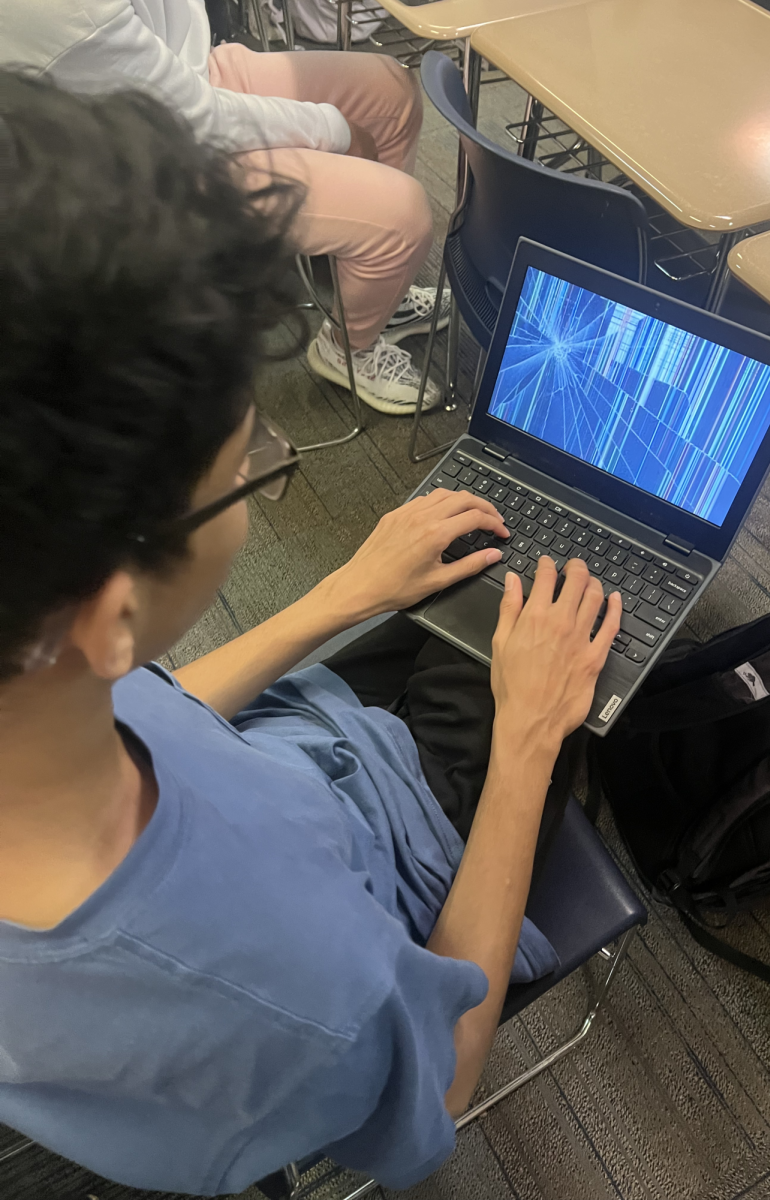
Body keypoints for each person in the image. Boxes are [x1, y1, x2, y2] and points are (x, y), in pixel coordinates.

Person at [0, 71, 621, 1195]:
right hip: (402, 843)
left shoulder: (37, 674)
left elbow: (161, 709)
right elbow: (442, 1086)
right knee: (572, 623)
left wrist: (345, 589)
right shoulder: (288, 975)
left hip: (292, 753)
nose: (252, 487)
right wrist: (529, 736)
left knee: (473, 568)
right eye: (245, 470)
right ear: (109, 612)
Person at [0, 0, 448, 416]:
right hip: (148, 161)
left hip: (178, 73)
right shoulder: (62, 12)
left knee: (392, 92)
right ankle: (350, 350)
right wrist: (338, 131)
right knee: (401, 216)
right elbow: (196, 121)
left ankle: (377, 295)